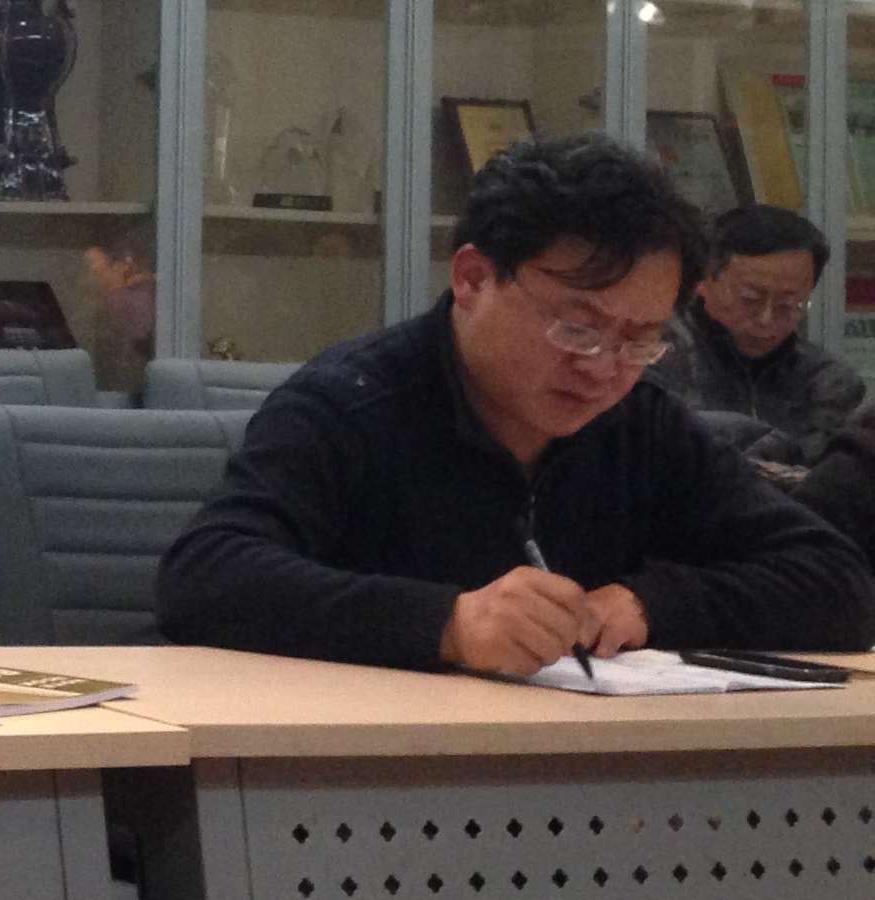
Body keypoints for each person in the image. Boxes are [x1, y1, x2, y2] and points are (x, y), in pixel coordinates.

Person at [156, 131, 874, 675]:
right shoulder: (352, 403)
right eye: (577, 328)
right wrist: (448, 624)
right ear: (473, 279)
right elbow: (206, 576)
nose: (602, 369)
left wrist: (650, 603)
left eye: (639, 340)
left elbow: (837, 582)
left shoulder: (638, 422)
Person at [647, 202, 861, 470]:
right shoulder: (654, 355)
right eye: (750, 299)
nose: (765, 319)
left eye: (787, 304)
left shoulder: (828, 382)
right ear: (702, 283)